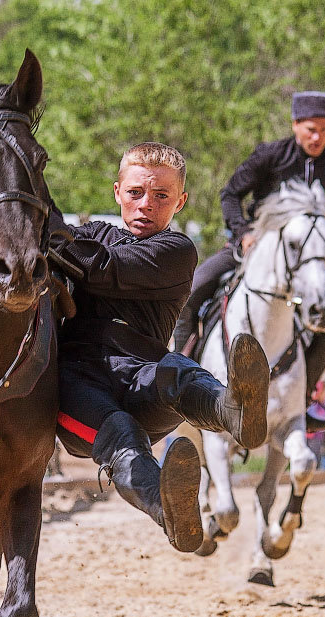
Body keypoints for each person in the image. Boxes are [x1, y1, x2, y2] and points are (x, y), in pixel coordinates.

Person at [48, 143, 269, 553]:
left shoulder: (176, 251)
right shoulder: (93, 234)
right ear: (117, 192)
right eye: (135, 193)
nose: (146, 204)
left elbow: (100, 269)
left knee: (178, 371)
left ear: (180, 201)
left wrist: (53, 241)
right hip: (76, 387)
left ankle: (233, 409)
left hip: (144, 377)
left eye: (161, 196)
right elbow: (54, 238)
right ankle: (171, 511)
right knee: (122, 435)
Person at [170, 91, 325, 431]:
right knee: (197, 286)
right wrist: (243, 231)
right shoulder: (270, 155)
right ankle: (183, 378)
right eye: (310, 129)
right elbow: (230, 193)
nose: (317, 137)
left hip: (304, 262)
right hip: (254, 248)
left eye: (324, 129)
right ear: (295, 125)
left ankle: (304, 400)